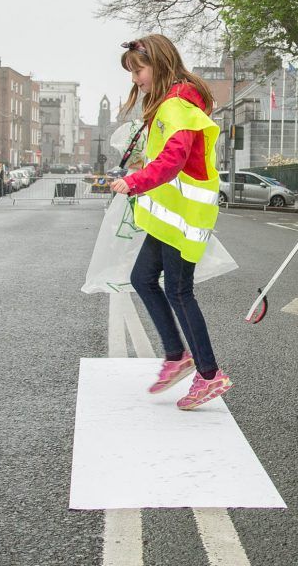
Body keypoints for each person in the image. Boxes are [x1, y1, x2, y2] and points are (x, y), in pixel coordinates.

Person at [109, 35, 233, 410]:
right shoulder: (172, 101)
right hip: (171, 216)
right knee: (142, 278)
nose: (135, 79)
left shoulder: (177, 103)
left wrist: (134, 181)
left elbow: (175, 160)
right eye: (131, 72)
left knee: (180, 292)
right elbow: (168, 157)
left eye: (138, 70)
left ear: (159, 64)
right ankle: (178, 356)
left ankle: (210, 375)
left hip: (183, 217)